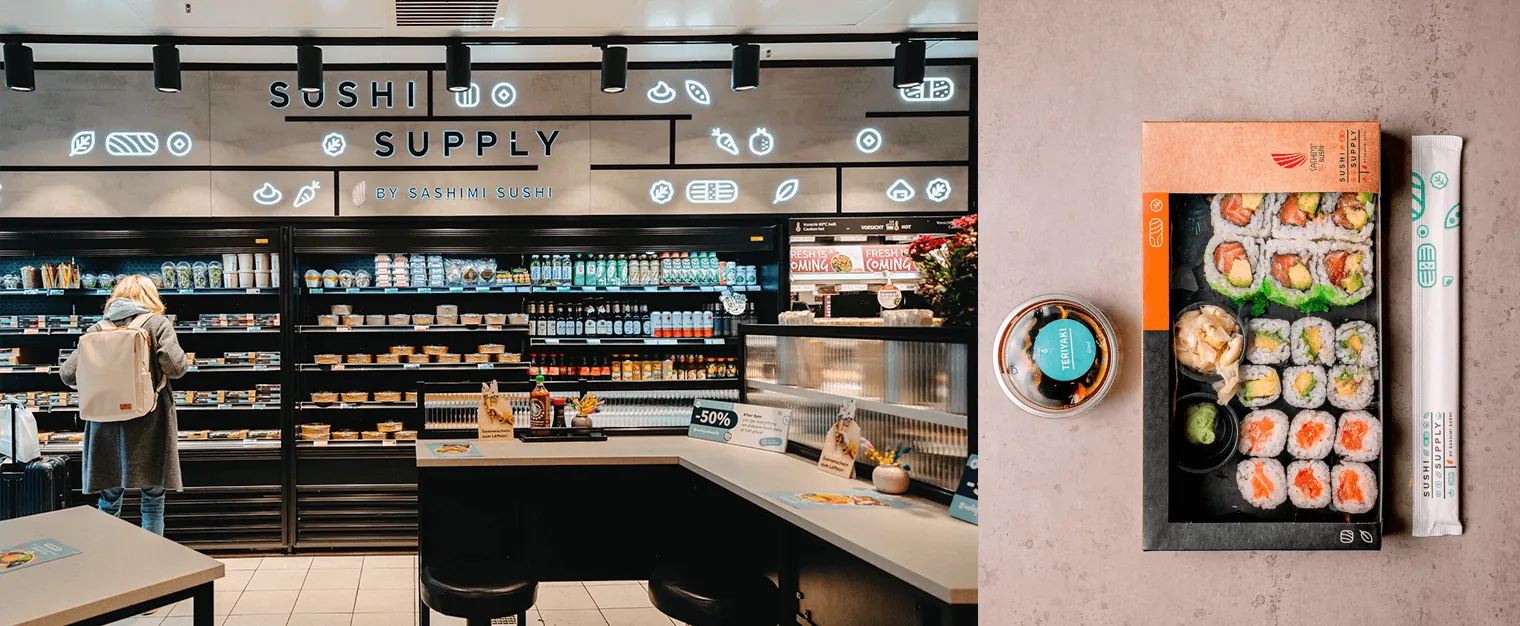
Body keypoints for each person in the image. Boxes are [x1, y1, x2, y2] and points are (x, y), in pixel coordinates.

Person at [60, 275, 188, 536]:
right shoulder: (157, 324)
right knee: (153, 503)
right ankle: (152, 565)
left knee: (108, 502)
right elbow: (176, 368)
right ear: (151, 297)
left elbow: (67, 374)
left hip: (106, 427)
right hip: (150, 426)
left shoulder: (98, 329)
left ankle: (109, 562)